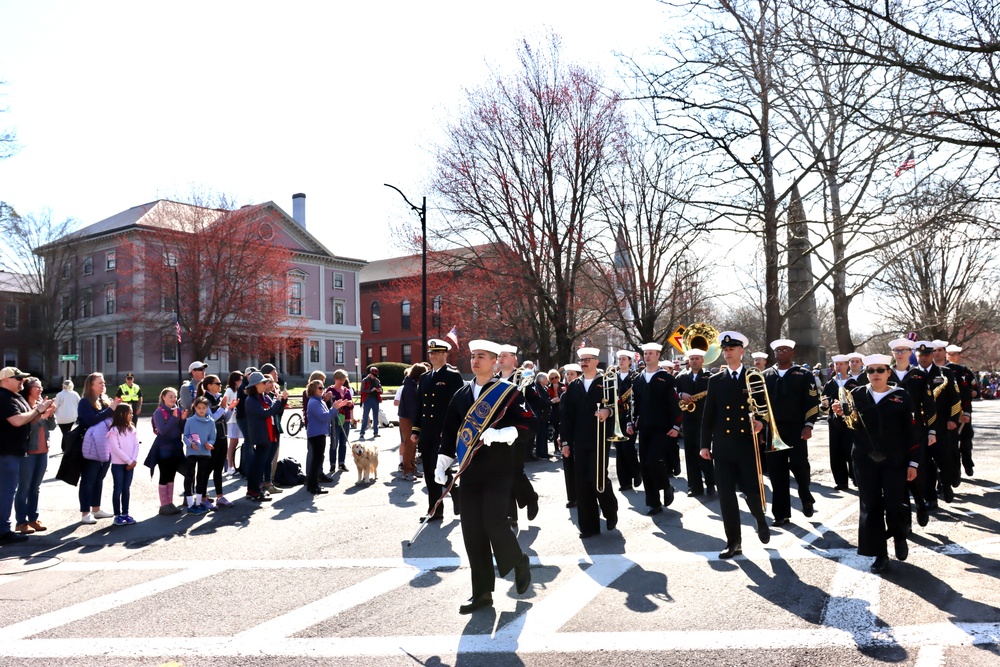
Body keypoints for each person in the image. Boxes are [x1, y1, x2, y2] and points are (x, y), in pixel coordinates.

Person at [436, 340, 532, 614]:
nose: (475, 361)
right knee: (472, 532)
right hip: (469, 472)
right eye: (473, 356)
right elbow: (450, 431)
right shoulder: (461, 395)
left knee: (494, 523)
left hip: (498, 472)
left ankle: (519, 561)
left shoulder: (509, 393)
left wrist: (503, 434)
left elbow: (529, 424)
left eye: (482, 357)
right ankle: (481, 594)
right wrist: (442, 462)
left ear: (496, 362)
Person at [833, 353, 920, 573]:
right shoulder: (856, 394)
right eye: (870, 371)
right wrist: (838, 414)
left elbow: (912, 433)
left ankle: (900, 535)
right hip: (864, 459)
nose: (875, 375)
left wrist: (914, 463)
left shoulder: (901, 396)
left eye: (880, 370)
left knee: (894, 504)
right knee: (870, 507)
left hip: (894, 460)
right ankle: (880, 554)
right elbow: (847, 425)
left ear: (888, 372)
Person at [699, 332, 771, 558]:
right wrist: (704, 445)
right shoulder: (715, 380)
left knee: (751, 491)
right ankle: (733, 542)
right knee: (727, 497)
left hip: (746, 445)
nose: (728, 353)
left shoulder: (753, 377)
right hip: (722, 446)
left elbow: (765, 408)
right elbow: (708, 415)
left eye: (732, 349)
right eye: (725, 349)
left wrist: (761, 422)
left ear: (742, 351)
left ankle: (760, 519)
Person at [559, 347, 619, 538]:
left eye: (587, 360)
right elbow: (566, 417)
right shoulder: (574, 386)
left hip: (600, 438)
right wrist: (566, 442)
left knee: (597, 477)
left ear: (596, 361)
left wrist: (607, 412)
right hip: (579, 439)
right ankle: (589, 527)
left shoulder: (607, 381)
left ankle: (610, 510)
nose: (584, 363)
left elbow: (619, 406)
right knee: (582, 482)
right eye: (582, 360)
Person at [762, 339, 820, 527]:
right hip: (773, 430)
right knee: (776, 473)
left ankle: (805, 496)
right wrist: (762, 428)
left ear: (792, 353)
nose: (781, 353)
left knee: (800, 468)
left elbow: (812, 402)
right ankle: (781, 514)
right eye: (778, 350)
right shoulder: (765, 375)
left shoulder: (804, 375)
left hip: (796, 429)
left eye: (785, 350)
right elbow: (761, 406)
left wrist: (809, 425)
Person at [411, 339, 465, 520]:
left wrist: (451, 430)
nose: (432, 356)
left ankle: (455, 492)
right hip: (427, 431)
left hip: (443, 432)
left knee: (438, 467)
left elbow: (456, 406)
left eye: (436, 353)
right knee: (428, 470)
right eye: (430, 353)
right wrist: (415, 430)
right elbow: (419, 406)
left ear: (444, 355)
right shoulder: (425, 377)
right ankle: (435, 509)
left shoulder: (452, 376)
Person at [627, 342, 681, 516]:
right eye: (646, 353)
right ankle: (653, 502)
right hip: (644, 428)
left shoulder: (666, 377)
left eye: (651, 353)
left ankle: (666, 485)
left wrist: (676, 425)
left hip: (662, 427)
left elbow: (674, 404)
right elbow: (634, 403)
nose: (647, 356)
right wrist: (631, 421)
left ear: (658, 355)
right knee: (645, 465)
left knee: (653, 461)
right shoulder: (638, 378)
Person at [0, 368, 54, 544]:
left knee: (10, 490)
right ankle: (4, 530)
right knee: (7, 491)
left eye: (23, 379)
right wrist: (37, 410)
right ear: (5, 380)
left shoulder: (16, 397)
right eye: (18, 378)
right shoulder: (3, 397)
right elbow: (16, 421)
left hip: (16, 452)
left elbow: (29, 420)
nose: (21, 381)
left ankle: (5, 528)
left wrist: (41, 411)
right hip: (6, 452)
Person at [885, 338, 935, 527]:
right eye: (896, 350)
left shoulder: (919, 376)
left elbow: (929, 405)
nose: (899, 353)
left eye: (903, 350)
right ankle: (905, 522)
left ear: (910, 353)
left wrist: (932, 430)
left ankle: (921, 503)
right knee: (898, 475)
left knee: (917, 471)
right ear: (893, 354)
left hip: (915, 430)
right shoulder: (885, 373)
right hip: (891, 432)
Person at [914, 341, 960, 508]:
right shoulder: (912, 375)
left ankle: (946, 484)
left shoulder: (944, 373)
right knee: (925, 463)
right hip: (920, 427)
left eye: (927, 355)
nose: (923, 358)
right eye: (920, 355)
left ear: (932, 355)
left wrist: (953, 419)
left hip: (941, 425)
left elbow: (955, 398)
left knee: (944, 459)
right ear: (916, 356)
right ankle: (930, 497)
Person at [14, 377, 56, 534]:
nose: (41, 389)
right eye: (37, 387)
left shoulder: (42, 405)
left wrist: (50, 414)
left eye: (41, 387)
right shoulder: (25, 408)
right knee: (23, 488)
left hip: (43, 451)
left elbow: (51, 427)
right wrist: (41, 416)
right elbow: (28, 430)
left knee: (35, 488)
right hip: (28, 453)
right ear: (28, 390)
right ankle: (21, 522)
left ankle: (33, 519)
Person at [77, 372, 119, 524]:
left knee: (99, 478)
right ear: (91, 385)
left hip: (105, 445)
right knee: (88, 479)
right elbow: (91, 421)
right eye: (100, 383)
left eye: (104, 383)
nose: (103, 385)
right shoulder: (84, 402)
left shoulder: (104, 400)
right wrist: (110, 409)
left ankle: (96, 509)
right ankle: (85, 512)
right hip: (90, 447)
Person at [675, 348, 715, 497]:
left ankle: (711, 483)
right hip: (688, 419)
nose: (694, 361)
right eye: (692, 359)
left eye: (697, 358)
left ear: (702, 360)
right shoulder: (681, 377)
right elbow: (674, 393)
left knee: (704, 453)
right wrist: (681, 394)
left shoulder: (710, 377)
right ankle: (694, 486)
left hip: (704, 420)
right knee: (690, 453)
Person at [244, 371, 288, 502]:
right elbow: (266, 413)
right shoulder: (251, 400)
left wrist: (282, 400)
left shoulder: (264, 397)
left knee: (262, 463)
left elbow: (275, 412)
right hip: (261, 435)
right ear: (255, 385)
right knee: (258, 464)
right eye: (263, 383)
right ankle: (254, 491)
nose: (265, 385)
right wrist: (278, 402)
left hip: (270, 433)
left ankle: (256, 489)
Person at [146, 388, 186, 515]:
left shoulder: (177, 410)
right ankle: (164, 505)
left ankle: (170, 503)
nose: (173, 399)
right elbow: (162, 431)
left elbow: (181, 430)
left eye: (175, 397)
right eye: (170, 396)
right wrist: (174, 419)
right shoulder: (159, 412)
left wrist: (183, 419)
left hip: (176, 448)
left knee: (171, 476)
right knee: (164, 475)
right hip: (164, 449)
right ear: (163, 397)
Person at [821, 354, 858, 491]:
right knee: (836, 451)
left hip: (850, 421)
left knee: (851, 449)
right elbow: (824, 404)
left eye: (842, 364)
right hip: (835, 422)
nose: (839, 367)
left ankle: (855, 476)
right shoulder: (830, 383)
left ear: (847, 365)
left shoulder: (853, 382)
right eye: (837, 364)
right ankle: (841, 481)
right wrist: (824, 405)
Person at [198, 374, 233, 508]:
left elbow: (225, 418)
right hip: (212, 439)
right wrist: (222, 408)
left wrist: (230, 408)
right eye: (217, 383)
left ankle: (220, 496)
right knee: (208, 468)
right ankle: (203, 498)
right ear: (209, 386)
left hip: (223, 437)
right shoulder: (204, 400)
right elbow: (210, 418)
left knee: (219, 468)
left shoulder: (218, 398)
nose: (220, 385)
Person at [944, 344, 977, 477]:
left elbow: (974, 391)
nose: (952, 357)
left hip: (964, 411)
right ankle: (955, 470)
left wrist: (967, 411)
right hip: (949, 413)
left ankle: (968, 464)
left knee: (966, 440)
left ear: (959, 355)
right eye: (950, 354)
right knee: (951, 444)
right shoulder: (942, 371)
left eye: (955, 354)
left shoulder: (966, 371)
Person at [611, 350, 641, 492]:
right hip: (616, 417)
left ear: (630, 361)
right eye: (619, 359)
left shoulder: (635, 377)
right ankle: (624, 481)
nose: (621, 361)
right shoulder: (612, 377)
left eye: (624, 359)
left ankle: (636, 471)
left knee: (627, 447)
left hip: (630, 416)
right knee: (619, 450)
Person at [182, 397, 216, 514]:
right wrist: (191, 444)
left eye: (204, 408)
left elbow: (212, 437)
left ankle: (198, 503)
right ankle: (190, 504)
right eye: (199, 408)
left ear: (207, 408)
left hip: (205, 453)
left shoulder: (211, 422)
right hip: (192, 453)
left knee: (201, 478)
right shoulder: (190, 421)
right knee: (189, 476)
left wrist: (210, 444)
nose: (201, 410)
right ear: (195, 408)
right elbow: (185, 435)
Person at [107, 404, 139, 525]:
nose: (132, 415)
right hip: (118, 465)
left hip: (130, 465)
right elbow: (116, 448)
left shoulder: (132, 429)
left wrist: (133, 460)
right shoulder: (113, 430)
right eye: (129, 413)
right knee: (118, 489)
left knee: (126, 489)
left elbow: (136, 445)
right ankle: (117, 515)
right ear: (121, 414)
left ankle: (125, 513)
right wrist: (129, 461)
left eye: (132, 413)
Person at [305, 380, 336, 494]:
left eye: (323, 388)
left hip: (320, 433)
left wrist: (336, 408)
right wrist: (335, 408)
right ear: (313, 389)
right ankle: (313, 485)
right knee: (316, 460)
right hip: (316, 434)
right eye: (320, 388)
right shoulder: (313, 402)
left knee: (318, 459)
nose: (322, 390)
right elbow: (323, 417)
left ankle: (312, 485)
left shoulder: (320, 401)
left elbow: (328, 415)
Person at [396, 363, 425, 481]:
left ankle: (412, 467)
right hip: (407, 418)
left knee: (413, 444)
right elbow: (412, 408)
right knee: (409, 443)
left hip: (407, 417)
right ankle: (407, 470)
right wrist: (417, 423)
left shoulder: (410, 384)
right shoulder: (410, 388)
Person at [560, 363, 582, 508]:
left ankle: (584, 495)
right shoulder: (564, 395)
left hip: (581, 433)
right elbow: (563, 418)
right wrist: (561, 437)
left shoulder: (582, 392)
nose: (568, 377)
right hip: (568, 433)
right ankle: (572, 497)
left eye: (572, 374)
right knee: (568, 465)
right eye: (567, 374)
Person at [325, 370, 354, 474]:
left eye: (344, 380)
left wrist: (350, 404)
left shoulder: (346, 390)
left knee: (343, 442)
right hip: (335, 419)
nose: (342, 382)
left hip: (345, 419)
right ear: (335, 379)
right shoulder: (330, 390)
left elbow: (351, 404)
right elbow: (326, 404)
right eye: (340, 380)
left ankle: (341, 463)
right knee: (334, 442)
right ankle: (332, 464)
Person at [527, 373, 553, 459]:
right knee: (541, 434)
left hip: (544, 414)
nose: (547, 380)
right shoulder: (537, 388)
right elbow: (540, 400)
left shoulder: (543, 388)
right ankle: (541, 452)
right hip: (539, 413)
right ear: (541, 379)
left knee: (544, 434)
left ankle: (543, 451)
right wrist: (551, 402)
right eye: (545, 378)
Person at [223, 371, 244, 475]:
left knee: (236, 443)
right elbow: (225, 402)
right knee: (233, 443)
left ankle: (234, 465)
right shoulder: (230, 390)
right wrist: (232, 409)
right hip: (232, 419)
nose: (242, 381)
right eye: (240, 379)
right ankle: (229, 466)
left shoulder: (238, 390)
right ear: (235, 381)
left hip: (238, 419)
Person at [358, 366, 382, 439]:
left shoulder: (377, 381)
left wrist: (379, 390)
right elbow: (362, 390)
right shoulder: (365, 380)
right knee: (365, 417)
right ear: (370, 374)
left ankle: (376, 432)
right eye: (373, 375)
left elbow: (381, 389)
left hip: (375, 399)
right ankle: (362, 433)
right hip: (367, 400)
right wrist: (371, 390)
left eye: (375, 376)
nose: (374, 377)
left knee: (375, 417)